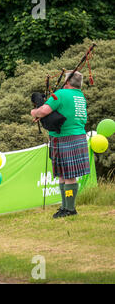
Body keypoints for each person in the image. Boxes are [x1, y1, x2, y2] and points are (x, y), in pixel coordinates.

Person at [30, 71, 90, 218]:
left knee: (68, 176)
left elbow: (44, 110)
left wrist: (34, 112)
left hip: (65, 138)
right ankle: (64, 207)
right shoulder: (80, 96)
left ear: (67, 82)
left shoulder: (62, 94)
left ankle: (70, 209)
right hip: (77, 136)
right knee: (63, 175)